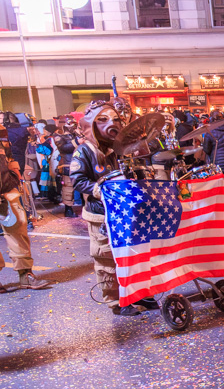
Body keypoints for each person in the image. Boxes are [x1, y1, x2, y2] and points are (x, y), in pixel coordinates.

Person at [70, 101, 154, 315]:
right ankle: (116, 302)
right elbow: (77, 180)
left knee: (133, 255)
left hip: (125, 212)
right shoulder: (84, 152)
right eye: (103, 120)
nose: (111, 124)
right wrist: (99, 190)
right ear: (91, 124)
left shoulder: (117, 150)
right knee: (107, 259)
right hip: (102, 214)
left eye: (116, 119)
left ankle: (139, 293)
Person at [0, 120, 52, 292]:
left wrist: (15, 179)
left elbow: (8, 155)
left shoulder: (1, 130)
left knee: (18, 230)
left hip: (7, 188)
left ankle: (25, 274)